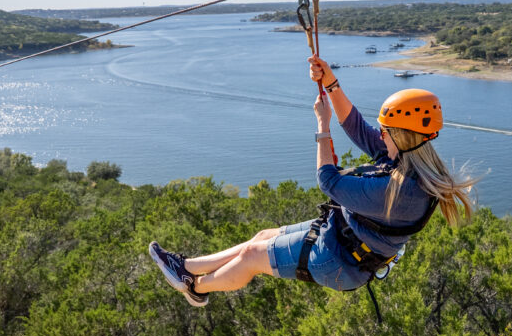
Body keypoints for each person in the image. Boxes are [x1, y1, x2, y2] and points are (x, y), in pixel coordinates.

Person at [149, 56, 478, 307]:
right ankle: (187, 267)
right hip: (342, 237)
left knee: (252, 256)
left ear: (403, 136)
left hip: (338, 260)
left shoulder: (400, 190)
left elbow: (328, 181)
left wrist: (322, 126)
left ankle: (195, 287)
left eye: (386, 131)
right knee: (262, 237)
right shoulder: (409, 158)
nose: (380, 136)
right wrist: (331, 82)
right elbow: (357, 128)